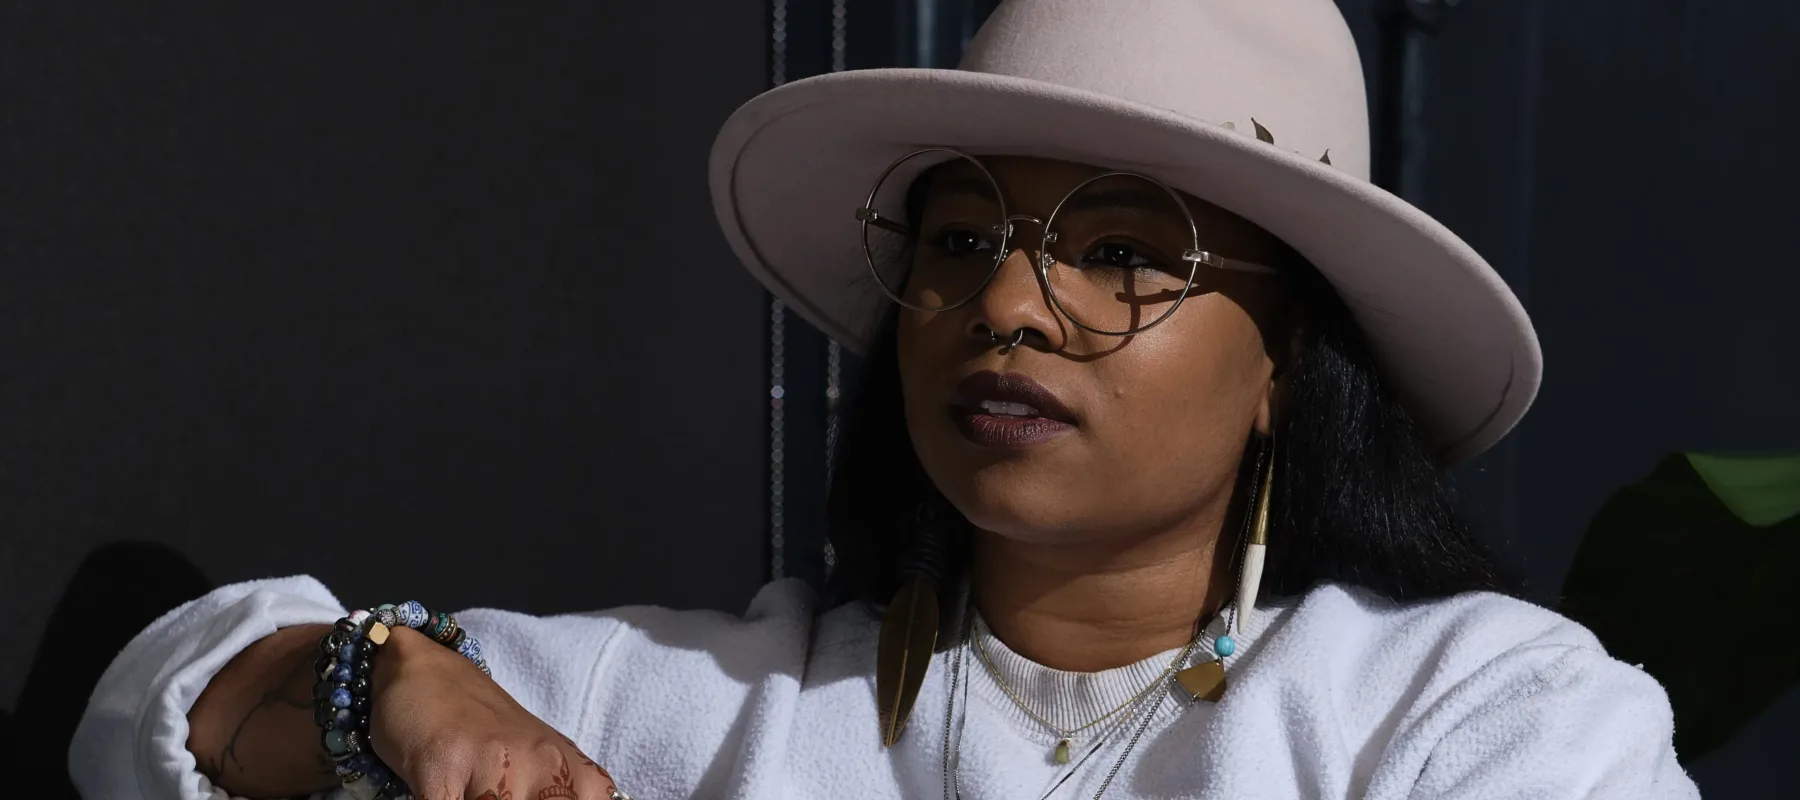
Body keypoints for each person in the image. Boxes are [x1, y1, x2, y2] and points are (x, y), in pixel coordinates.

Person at [70, 1, 1701, 798]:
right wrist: (393, 685)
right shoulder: (723, 702)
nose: (1006, 303)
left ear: (1293, 360)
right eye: (966, 234)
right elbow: (159, 704)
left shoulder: (1478, 713)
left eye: (1128, 252)